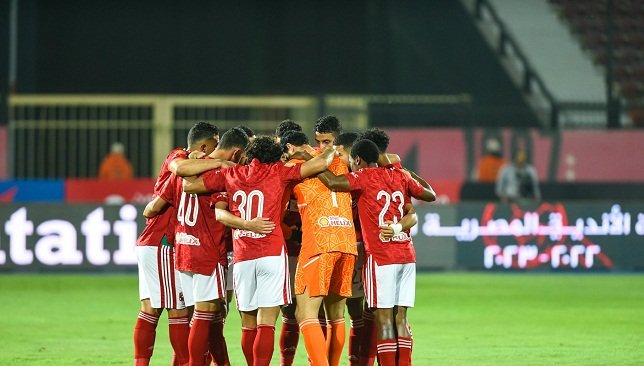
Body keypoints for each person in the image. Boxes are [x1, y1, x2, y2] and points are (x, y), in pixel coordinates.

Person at [182, 137, 336, 366]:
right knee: (267, 323)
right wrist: (330, 147)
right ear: (274, 157)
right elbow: (322, 163)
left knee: (248, 324)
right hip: (271, 254)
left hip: (243, 257)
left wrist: (209, 162)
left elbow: (189, 185)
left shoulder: (232, 174)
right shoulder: (279, 172)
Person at [144, 127, 272, 366]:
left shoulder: (186, 171)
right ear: (236, 154)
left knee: (198, 316)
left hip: (183, 250)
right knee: (206, 316)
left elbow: (157, 203)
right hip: (207, 250)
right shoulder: (221, 175)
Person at [318, 139, 437, 366]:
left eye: (352, 161)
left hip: (381, 257)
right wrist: (407, 172)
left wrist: (311, 163)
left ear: (358, 160)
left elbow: (333, 183)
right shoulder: (401, 177)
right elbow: (429, 195)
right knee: (400, 318)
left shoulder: (363, 177)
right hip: (406, 255)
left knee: (382, 319)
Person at [133, 122, 219, 366]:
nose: (216, 151)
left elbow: (152, 207)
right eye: (215, 145)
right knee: (179, 310)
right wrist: (220, 163)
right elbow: (155, 206)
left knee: (151, 308)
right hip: (164, 242)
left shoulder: (190, 165)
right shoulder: (179, 158)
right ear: (204, 145)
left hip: (156, 242)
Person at [281, 130, 357, 366]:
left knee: (305, 313)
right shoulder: (340, 159)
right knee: (336, 316)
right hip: (347, 241)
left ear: (289, 147)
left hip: (319, 242)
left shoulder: (295, 164)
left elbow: (275, 208)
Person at [332, 132, 365, 366]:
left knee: (358, 309)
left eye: (338, 151)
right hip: (336, 245)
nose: (334, 154)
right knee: (336, 311)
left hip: (360, 247)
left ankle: (360, 361)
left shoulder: (364, 177)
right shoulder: (337, 173)